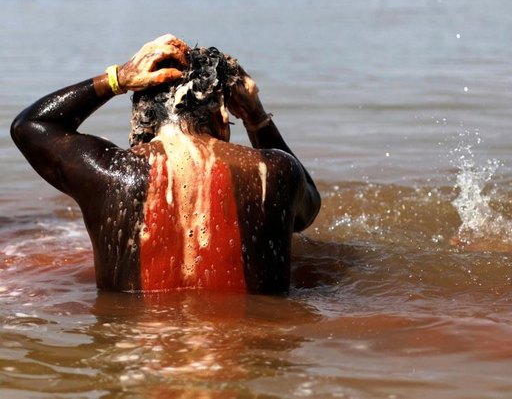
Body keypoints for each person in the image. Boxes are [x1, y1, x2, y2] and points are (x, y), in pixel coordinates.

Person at [11, 34, 321, 293]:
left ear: (141, 119)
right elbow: (308, 210)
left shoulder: (110, 174)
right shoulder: (275, 172)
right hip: (245, 359)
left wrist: (116, 79)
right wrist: (257, 117)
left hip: (139, 360)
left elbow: (30, 126)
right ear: (222, 117)